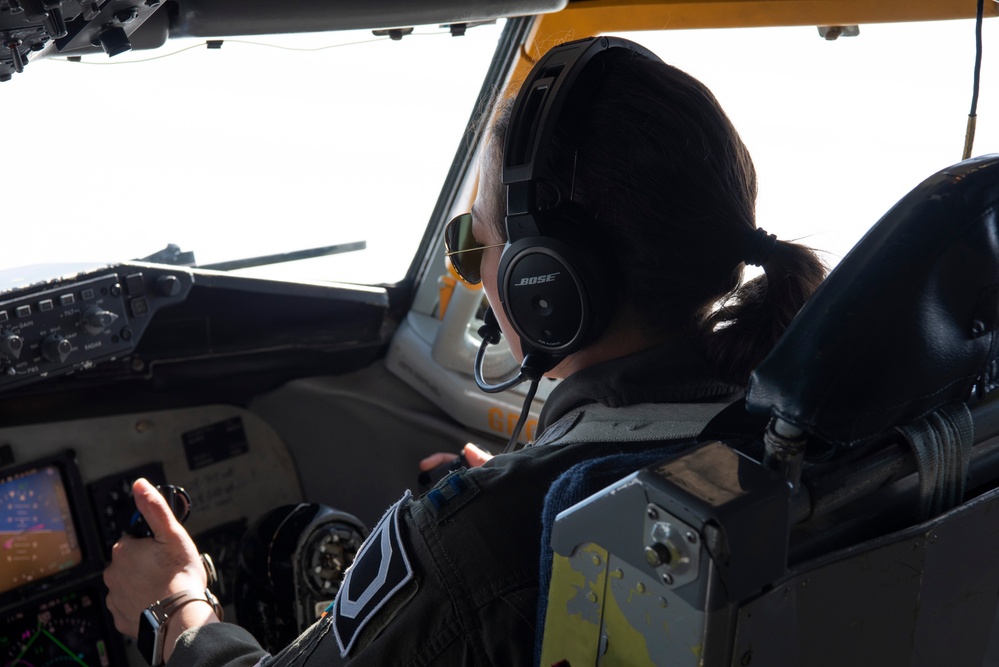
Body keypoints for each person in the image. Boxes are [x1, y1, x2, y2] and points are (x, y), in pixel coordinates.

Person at [103, 36, 825, 666]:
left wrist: (175, 606)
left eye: (474, 237)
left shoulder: (480, 529)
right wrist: (519, 487)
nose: (467, 262)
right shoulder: (798, 430)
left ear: (544, 281)